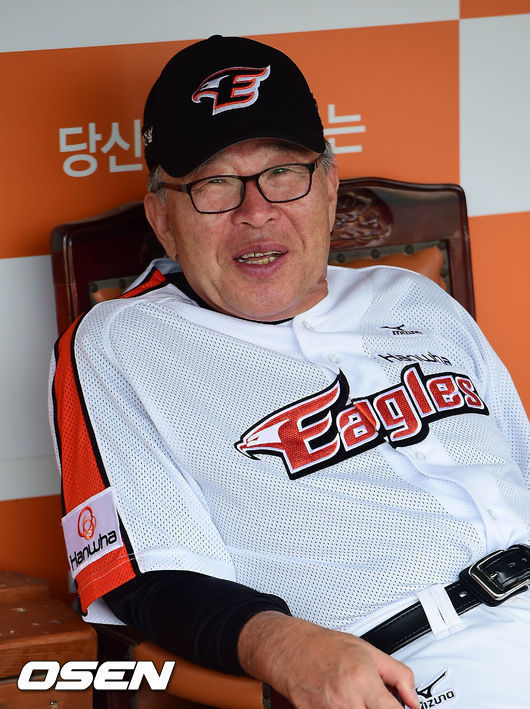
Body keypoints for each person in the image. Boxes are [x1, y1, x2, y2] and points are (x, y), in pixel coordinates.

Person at [50, 35, 530, 709]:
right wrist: (281, 646)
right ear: (162, 215)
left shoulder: (414, 299)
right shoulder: (120, 343)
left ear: (329, 186)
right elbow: (140, 575)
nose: (256, 212)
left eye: (282, 173)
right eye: (214, 184)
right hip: (414, 665)